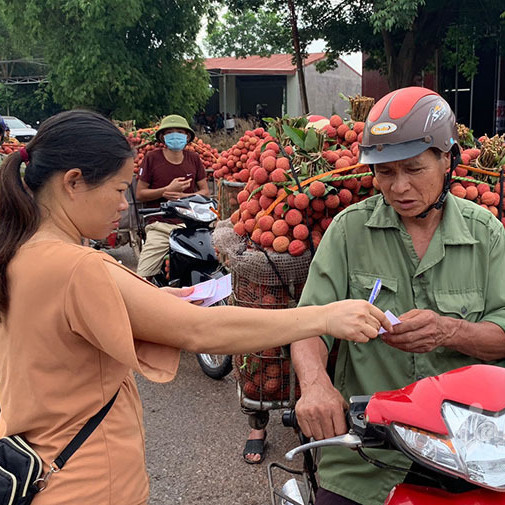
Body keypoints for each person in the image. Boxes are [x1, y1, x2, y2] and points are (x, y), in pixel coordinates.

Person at [0, 109, 393, 505]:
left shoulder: (19, 252)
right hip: (85, 483)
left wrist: (152, 302)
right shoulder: (77, 267)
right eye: (119, 189)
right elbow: (200, 330)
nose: (123, 204)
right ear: (73, 183)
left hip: (38, 469)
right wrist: (324, 315)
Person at [290, 86, 505, 505]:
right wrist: (315, 385)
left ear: (448, 160)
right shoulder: (349, 232)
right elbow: (308, 324)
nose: (399, 186)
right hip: (365, 455)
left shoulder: (487, 235)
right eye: (385, 172)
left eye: (413, 168)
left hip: (470, 455)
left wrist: (450, 331)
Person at [135, 114, 210, 279]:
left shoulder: (194, 159)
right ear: (162, 136)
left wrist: (185, 196)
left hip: (191, 224)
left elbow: (205, 191)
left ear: (187, 136)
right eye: (170, 132)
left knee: (211, 260)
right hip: (160, 225)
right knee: (142, 275)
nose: (175, 135)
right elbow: (140, 194)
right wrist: (164, 191)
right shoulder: (152, 158)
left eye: (179, 132)